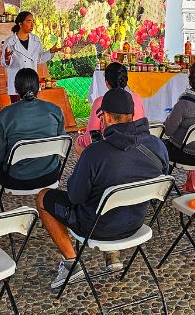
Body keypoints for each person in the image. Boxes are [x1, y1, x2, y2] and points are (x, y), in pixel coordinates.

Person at [36, 88, 169, 289]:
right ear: (132, 115)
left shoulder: (95, 153)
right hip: (135, 222)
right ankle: (112, 256)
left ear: (105, 116)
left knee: (43, 197)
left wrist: (83, 159)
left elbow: (75, 196)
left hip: (96, 228)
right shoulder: (157, 146)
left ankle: (72, 263)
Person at [0, 68, 65, 189]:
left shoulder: (3, 115)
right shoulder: (55, 110)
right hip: (50, 176)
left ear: (15, 89)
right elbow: (63, 144)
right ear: (38, 87)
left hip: (17, 180)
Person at [75, 62, 145, 155]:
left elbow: (90, 139)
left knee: (78, 144)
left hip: (109, 150)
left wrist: (80, 139)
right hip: (136, 146)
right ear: (126, 80)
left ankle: (88, 169)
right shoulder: (137, 98)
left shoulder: (100, 102)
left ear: (107, 83)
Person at [2, 11, 61, 95]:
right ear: (20, 24)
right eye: (29, 21)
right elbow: (4, 63)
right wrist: (7, 58)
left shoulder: (36, 40)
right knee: (18, 107)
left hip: (32, 83)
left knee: (33, 107)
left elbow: (39, 59)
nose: (32, 25)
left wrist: (50, 52)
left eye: (33, 22)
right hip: (17, 84)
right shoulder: (10, 41)